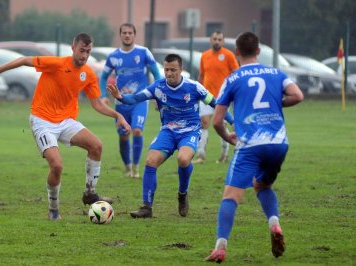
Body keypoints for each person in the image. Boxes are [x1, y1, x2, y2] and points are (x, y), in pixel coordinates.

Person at [0, 33, 131, 221]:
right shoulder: (56, 64)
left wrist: (118, 115)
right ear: (73, 48)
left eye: (88, 51)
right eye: (81, 50)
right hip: (42, 121)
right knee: (57, 165)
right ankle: (53, 209)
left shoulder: (88, 74)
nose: (84, 55)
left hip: (66, 121)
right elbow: (24, 60)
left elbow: (97, 104)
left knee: (96, 145)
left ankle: (90, 193)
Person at [205, 32, 304, 263]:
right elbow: (297, 95)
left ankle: (220, 247)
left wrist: (228, 138)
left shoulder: (233, 78)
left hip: (250, 144)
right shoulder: (276, 73)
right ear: (258, 51)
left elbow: (218, 121)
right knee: (261, 184)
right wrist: (277, 102)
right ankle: (275, 224)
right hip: (279, 144)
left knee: (231, 195)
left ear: (237, 52)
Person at [108, 54, 233, 218]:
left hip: (190, 131)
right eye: (166, 69)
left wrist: (233, 122)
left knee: (183, 159)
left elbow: (216, 104)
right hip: (168, 131)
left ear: (181, 70)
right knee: (151, 161)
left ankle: (182, 194)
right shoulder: (158, 87)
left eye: (173, 70)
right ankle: (147, 207)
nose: (169, 73)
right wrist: (120, 97)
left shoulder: (194, 87)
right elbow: (136, 98)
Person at [99, 23, 161, 178]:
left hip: (139, 100)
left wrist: (157, 95)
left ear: (134, 35)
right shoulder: (113, 56)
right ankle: (127, 167)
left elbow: (157, 75)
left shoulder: (144, 52)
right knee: (124, 135)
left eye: (130, 33)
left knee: (137, 130)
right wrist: (103, 96)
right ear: (120, 35)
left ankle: (136, 167)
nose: (127, 35)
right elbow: (103, 77)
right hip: (120, 102)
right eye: (124, 33)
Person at [193, 30, 239, 164]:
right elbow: (202, 74)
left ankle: (224, 155)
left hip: (223, 97)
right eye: (215, 39)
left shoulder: (228, 55)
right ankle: (201, 155)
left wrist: (232, 90)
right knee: (204, 123)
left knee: (221, 125)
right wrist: (199, 91)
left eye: (219, 39)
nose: (217, 41)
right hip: (207, 96)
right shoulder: (205, 56)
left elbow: (236, 73)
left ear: (223, 41)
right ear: (210, 40)